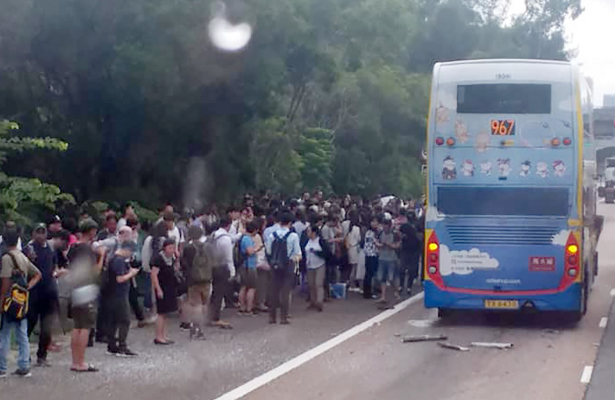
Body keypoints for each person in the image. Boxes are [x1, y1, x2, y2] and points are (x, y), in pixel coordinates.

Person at [0, 227, 42, 378]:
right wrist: (26, 288)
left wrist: (1, 301)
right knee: (22, 334)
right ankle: (24, 366)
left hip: (9, 300)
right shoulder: (22, 256)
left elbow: (5, 282)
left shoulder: (7, 258)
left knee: (4, 333)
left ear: (4, 241)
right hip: (22, 301)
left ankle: (2, 367)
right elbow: (38, 274)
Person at [67, 218, 106, 372]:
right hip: (87, 288)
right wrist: (101, 256)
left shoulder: (73, 247)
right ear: (91, 231)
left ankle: (74, 361)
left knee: (76, 326)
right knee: (85, 327)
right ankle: (81, 362)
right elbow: (95, 271)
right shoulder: (87, 249)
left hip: (74, 289)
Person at [24, 223, 58, 367]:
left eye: (43, 232)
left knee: (47, 327)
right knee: (29, 324)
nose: (40, 235)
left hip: (48, 292)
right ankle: (25, 356)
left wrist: (55, 273)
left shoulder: (50, 248)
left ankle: (42, 356)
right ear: (33, 234)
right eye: (38, 232)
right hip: (33, 292)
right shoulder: (28, 249)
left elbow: (54, 265)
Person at [265, 212, 301, 325]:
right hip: (288, 264)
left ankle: (272, 317)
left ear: (280, 222)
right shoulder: (293, 236)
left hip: (274, 264)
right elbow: (298, 253)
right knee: (285, 291)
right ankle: (283, 317)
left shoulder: (272, 235)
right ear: (290, 223)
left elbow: (268, 251)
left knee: (273, 290)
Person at [106, 241, 140, 356]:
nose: (130, 255)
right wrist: (131, 274)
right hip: (119, 294)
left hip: (111, 294)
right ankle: (122, 346)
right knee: (125, 320)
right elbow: (120, 279)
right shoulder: (119, 261)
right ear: (127, 250)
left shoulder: (113, 258)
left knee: (114, 320)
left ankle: (111, 345)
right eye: (131, 252)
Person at [150, 238, 178, 345]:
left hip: (170, 287)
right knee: (161, 313)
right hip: (161, 286)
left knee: (166, 313)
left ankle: (163, 334)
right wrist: (158, 289)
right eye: (170, 248)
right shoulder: (158, 259)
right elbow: (153, 275)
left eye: (173, 248)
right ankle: (158, 336)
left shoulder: (172, 258)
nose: (172, 250)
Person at [209, 217, 235, 328]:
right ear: (228, 225)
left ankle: (209, 314)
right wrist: (232, 271)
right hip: (222, 267)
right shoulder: (226, 239)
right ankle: (215, 317)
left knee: (214, 292)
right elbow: (229, 257)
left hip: (212, 266)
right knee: (219, 293)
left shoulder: (213, 235)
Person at [305, 225, 331, 312]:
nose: (307, 233)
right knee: (311, 284)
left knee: (318, 284)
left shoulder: (320, 241)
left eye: (309, 231)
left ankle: (319, 302)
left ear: (314, 233)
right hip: (309, 265)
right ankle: (313, 301)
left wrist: (316, 252)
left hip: (320, 265)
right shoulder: (307, 241)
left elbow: (327, 253)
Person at [238, 221, 261, 315]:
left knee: (243, 287)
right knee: (251, 287)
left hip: (243, 265)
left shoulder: (242, 237)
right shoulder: (247, 239)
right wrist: (258, 248)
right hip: (249, 265)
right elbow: (250, 252)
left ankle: (242, 307)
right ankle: (249, 308)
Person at [376, 219, 401, 304]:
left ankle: (396, 292)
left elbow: (398, 245)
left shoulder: (395, 234)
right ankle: (383, 296)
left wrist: (391, 246)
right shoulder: (380, 233)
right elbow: (377, 242)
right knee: (381, 278)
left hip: (392, 258)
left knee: (391, 278)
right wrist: (379, 245)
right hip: (382, 257)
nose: (384, 228)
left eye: (386, 226)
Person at [363, 216, 380, 299]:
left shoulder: (374, 232)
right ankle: (368, 292)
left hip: (372, 254)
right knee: (369, 274)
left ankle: (369, 291)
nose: (375, 223)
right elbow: (375, 243)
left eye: (376, 222)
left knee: (370, 273)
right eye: (373, 221)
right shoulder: (370, 233)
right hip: (370, 254)